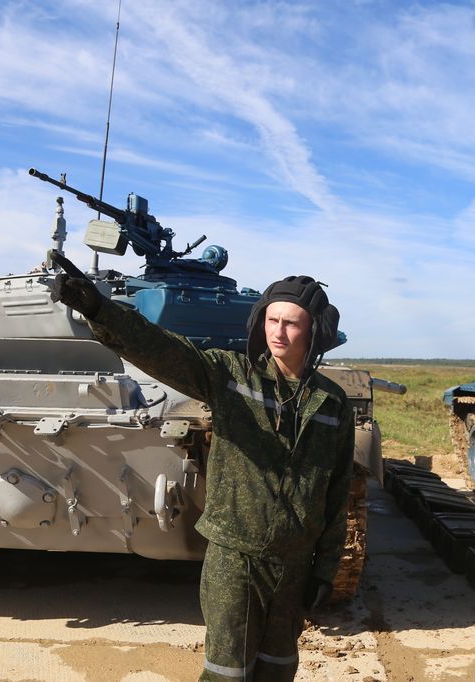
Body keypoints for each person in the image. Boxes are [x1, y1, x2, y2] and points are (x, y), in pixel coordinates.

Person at [48, 252, 354, 682]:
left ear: (314, 331)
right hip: (235, 557)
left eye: (291, 323)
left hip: (294, 562)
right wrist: (101, 310)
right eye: (271, 320)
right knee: (226, 672)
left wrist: (324, 569)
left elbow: (337, 492)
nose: (278, 332)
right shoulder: (231, 376)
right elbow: (164, 350)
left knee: (279, 668)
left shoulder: (332, 404)